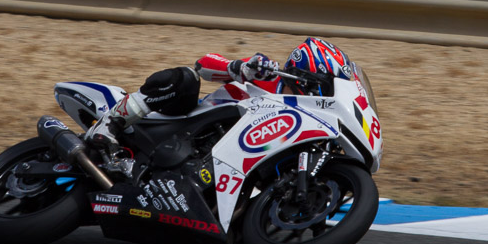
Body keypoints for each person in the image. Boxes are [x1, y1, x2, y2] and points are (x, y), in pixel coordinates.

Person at [84, 37, 355, 150]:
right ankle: (111, 124)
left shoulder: (307, 115)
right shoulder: (264, 74)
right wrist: (241, 68)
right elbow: (203, 64)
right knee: (185, 79)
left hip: (223, 157)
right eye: (330, 82)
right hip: (188, 127)